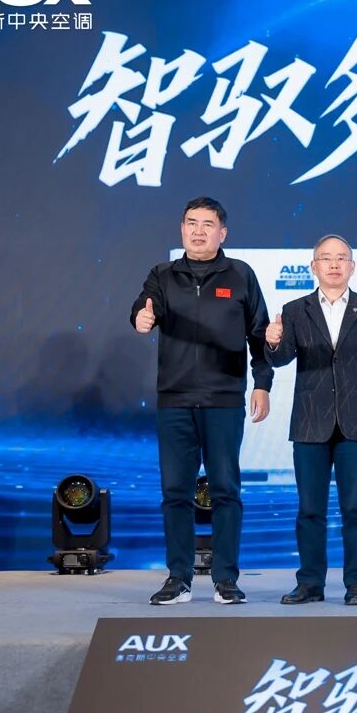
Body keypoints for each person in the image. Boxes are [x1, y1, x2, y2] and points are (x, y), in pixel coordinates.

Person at [130, 196, 272, 606]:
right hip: (174, 401)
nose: (198, 231)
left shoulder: (241, 275)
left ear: (222, 233)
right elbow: (142, 308)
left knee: (226, 489)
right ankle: (179, 578)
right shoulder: (163, 275)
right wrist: (141, 317)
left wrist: (262, 384)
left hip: (223, 399)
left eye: (207, 224)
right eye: (191, 222)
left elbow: (260, 335)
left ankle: (226, 579)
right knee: (175, 492)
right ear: (182, 229)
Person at [265, 234, 357, 607]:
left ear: (352, 266)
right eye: (326, 258)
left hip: (356, 422)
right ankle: (310, 583)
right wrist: (272, 341)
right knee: (310, 509)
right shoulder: (294, 310)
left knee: (355, 508)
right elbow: (280, 359)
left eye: (341, 258)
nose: (334, 264)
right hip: (309, 422)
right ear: (313, 266)